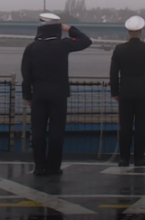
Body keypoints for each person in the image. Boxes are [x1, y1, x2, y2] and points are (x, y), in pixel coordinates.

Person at [21, 13, 92, 176]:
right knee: (57, 133)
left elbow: (26, 74)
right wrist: (70, 29)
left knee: (38, 132)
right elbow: (86, 41)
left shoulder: (31, 48)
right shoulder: (63, 45)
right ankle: (54, 167)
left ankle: (39, 167)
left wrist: (28, 95)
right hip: (59, 96)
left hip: (38, 95)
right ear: (57, 28)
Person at [110, 15, 145, 167]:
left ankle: (124, 158)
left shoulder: (119, 49)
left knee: (125, 126)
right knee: (141, 127)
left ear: (128, 31)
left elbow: (113, 73)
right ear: (141, 31)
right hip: (144, 92)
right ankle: (139, 158)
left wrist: (115, 92)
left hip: (125, 92)